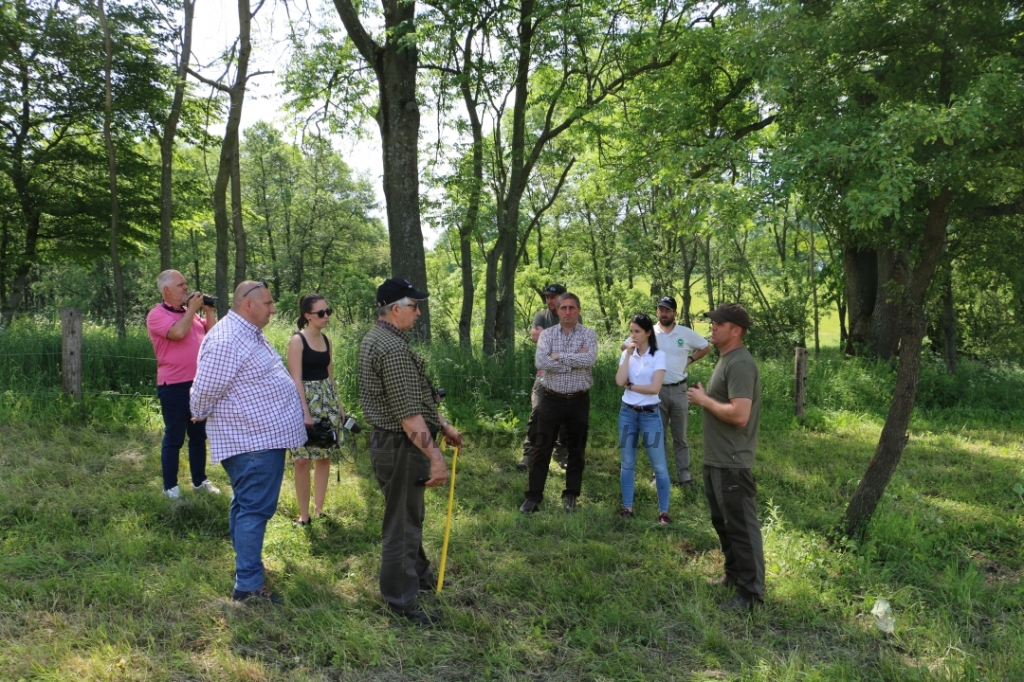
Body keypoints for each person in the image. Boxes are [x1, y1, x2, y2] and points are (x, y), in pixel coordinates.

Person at [191, 280, 307, 604]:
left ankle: (245, 570)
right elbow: (204, 388)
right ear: (248, 305)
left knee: (246, 506)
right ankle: (250, 587)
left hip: (259, 438)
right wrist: (198, 411)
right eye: (268, 303)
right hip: (252, 441)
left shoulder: (247, 333)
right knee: (254, 510)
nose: (273, 308)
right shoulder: (228, 338)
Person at [358, 277, 463, 626]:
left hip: (393, 443)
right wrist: (436, 459)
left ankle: (418, 577)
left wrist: (443, 424)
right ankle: (401, 602)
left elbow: (414, 398)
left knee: (407, 517)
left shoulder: (382, 339)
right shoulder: (392, 349)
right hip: (401, 445)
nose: (419, 312)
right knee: (402, 524)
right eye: (414, 306)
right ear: (396, 309)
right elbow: (407, 416)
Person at [687, 302, 764, 612]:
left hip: (733, 460)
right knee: (724, 523)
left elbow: (740, 414)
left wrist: (704, 400)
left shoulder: (741, 363)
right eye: (713, 322)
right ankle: (733, 577)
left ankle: (751, 594)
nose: (713, 327)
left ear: (736, 330)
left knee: (741, 527)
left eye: (719, 323)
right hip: (717, 459)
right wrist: (708, 396)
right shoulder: (726, 359)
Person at [146, 270, 220, 499]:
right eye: (181, 285)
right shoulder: (157, 315)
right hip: (174, 385)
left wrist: (208, 312)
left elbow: (212, 336)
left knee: (198, 436)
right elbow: (177, 333)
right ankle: (170, 488)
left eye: (186, 284)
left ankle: (199, 481)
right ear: (167, 290)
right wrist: (191, 311)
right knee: (175, 437)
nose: (186, 288)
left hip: (198, 385)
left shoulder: (192, 315)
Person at [520, 292, 597, 514]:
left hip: (579, 399)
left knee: (576, 449)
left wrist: (558, 357)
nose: (567, 312)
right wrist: (573, 358)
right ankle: (533, 497)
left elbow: (589, 359)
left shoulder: (589, 335)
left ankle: (571, 494)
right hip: (551, 398)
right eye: (563, 308)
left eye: (572, 308)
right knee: (541, 448)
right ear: (558, 310)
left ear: (579, 310)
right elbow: (541, 361)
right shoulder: (547, 335)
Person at [286, 293, 346, 526]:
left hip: (327, 402)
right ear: (307, 316)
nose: (326, 316)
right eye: (321, 313)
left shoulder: (327, 341)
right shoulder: (297, 341)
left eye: (327, 312)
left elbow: (330, 375)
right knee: (302, 459)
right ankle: (304, 516)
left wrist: (338, 404)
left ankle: (319, 510)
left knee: (324, 455)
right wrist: (305, 412)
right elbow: (296, 379)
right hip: (305, 401)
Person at [615, 313, 671, 524]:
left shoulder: (658, 356)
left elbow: (654, 388)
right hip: (627, 414)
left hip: (649, 416)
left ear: (648, 332)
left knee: (659, 465)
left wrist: (631, 386)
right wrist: (628, 354)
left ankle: (663, 512)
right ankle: (627, 508)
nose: (633, 335)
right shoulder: (628, 354)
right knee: (627, 463)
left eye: (637, 331)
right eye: (631, 331)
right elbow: (619, 380)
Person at [650, 296, 711, 487]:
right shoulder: (649, 332)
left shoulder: (685, 333)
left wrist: (691, 359)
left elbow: (706, 346)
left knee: (680, 437)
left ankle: (684, 475)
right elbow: (628, 345)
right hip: (656, 392)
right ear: (657, 312)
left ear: (675, 313)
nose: (664, 313)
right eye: (661, 309)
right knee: (657, 436)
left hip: (679, 391)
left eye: (668, 310)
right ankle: (658, 474)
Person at [517, 283, 570, 471]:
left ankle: (561, 453)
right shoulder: (541, 315)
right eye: (547, 297)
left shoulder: (573, 315)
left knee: (565, 415)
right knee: (538, 410)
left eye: (553, 297)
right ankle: (529, 453)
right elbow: (534, 336)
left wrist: (547, 338)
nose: (549, 300)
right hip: (544, 373)